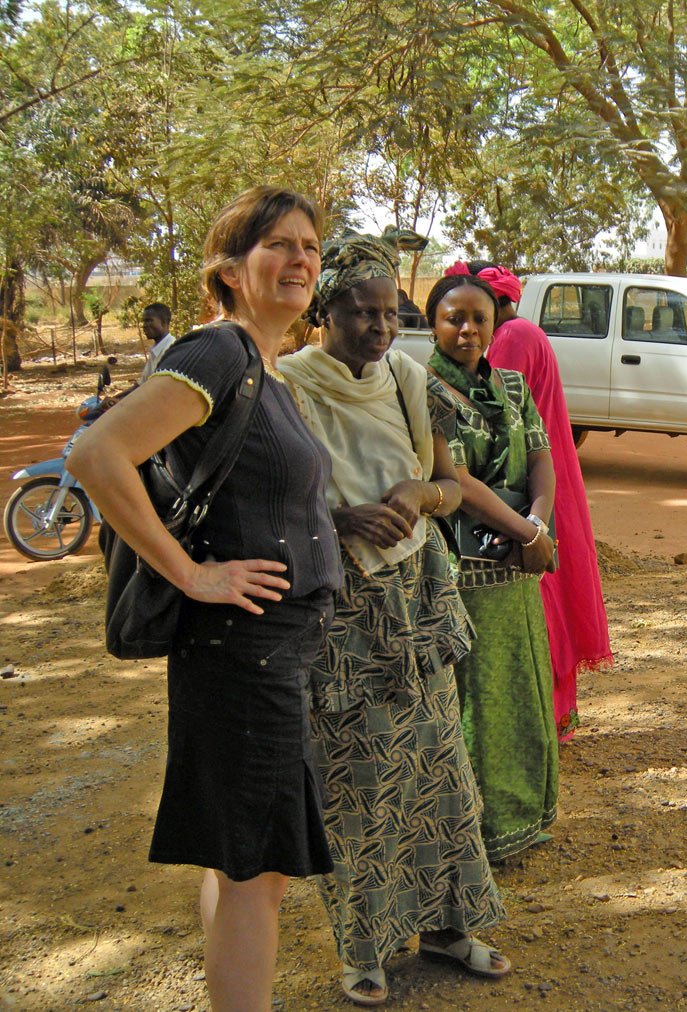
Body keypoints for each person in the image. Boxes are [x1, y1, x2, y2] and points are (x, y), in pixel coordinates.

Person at [67, 186, 343, 1012]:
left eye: (310, 247)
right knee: (257, 872)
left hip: (263, 653)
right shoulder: (219, 354)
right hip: (242, 653)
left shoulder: (262, 367)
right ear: (228, 270)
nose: (300, 259)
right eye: (277, 245)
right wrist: (192, 575)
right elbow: (97, 453)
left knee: (240, 863)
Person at [276, 233, 509, 1005]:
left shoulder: (407, 379)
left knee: (441, 767)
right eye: (361, 313)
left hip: (415, 595)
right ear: (324, 310)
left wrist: (417, 497)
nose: (379, 329)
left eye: (388, 315)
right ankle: (363, 948)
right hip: (341, 607)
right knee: (356, 780)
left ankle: (449, 928)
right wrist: (339, 517)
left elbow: (447, 483)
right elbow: (275, 500)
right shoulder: (287, 386)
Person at [424, 272, 559, 862]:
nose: (468, 329)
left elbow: (540, 456)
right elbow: (455, 479)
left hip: (515, 567)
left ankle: (523, 817)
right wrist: (527, 530)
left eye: (480, 318)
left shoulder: (511, 383)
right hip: (462, 571)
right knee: (471, 700)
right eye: (455, 317)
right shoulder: (422, 387)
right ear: (434, 323)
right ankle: (475, 831)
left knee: (518, 691)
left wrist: (540, 525)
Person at [445, 261, 611, 740]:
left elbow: (497, 417)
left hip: (521, 482)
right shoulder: (527, 331)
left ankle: (541, 715)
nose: (470, 329)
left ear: (493, 306)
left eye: (476, 316)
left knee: (538, 595)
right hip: (539, 476)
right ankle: (553, 714)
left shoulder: (515, 337)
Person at [139, 302, 176, 382]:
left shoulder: (170, 349)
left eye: (149, 321)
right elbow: (141, 384)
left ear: (164, 322)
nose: (144, 325)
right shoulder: (156, 349)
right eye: (144, 321)